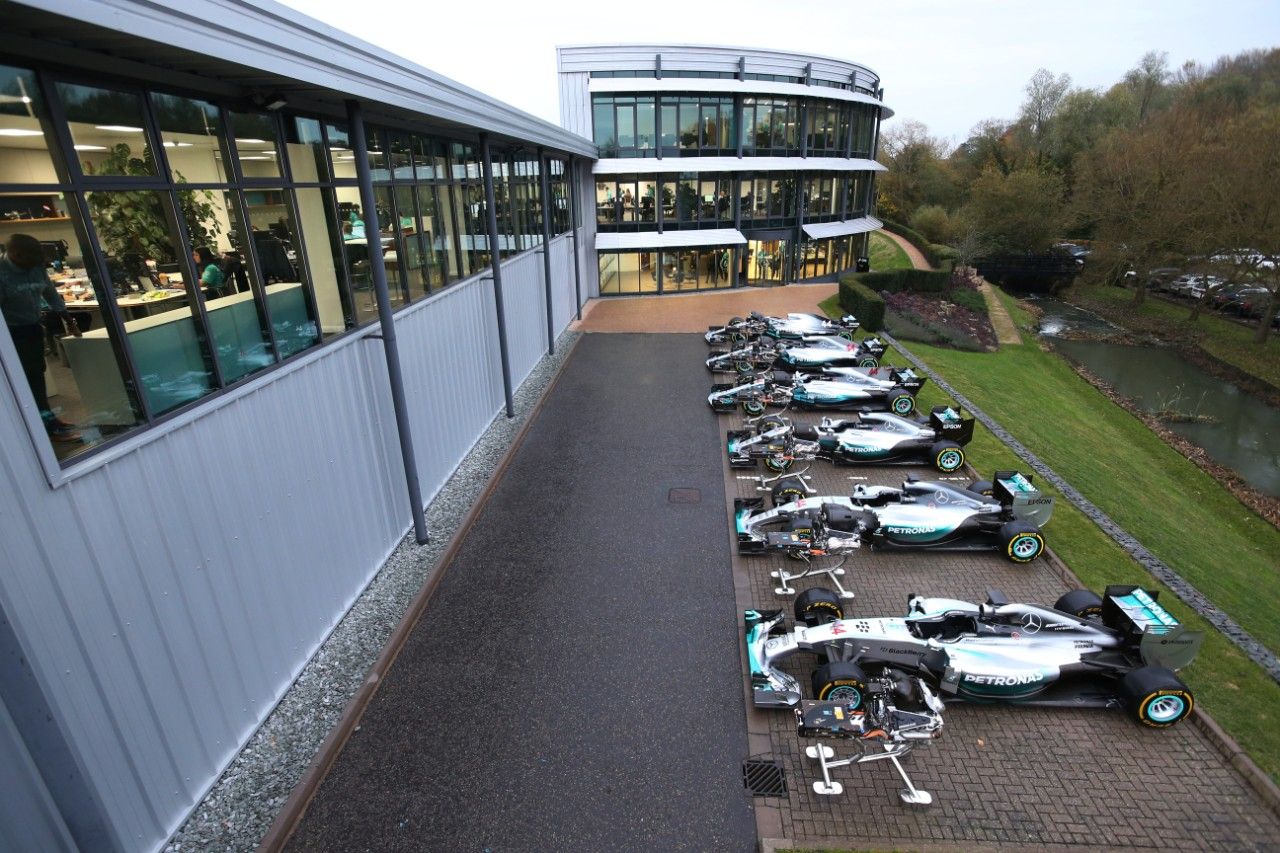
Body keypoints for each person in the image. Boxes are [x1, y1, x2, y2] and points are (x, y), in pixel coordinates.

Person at [0, 233, 81, 442]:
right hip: (11, 335)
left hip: (33, 329)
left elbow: (51, 294)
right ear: (15, 254)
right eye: (32, 258)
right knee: (25, 381)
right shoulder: (2, 273)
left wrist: (69, 321)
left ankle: (47, 419)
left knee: (36, 376)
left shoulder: (35, 268)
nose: (37, 263)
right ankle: (44, 428)